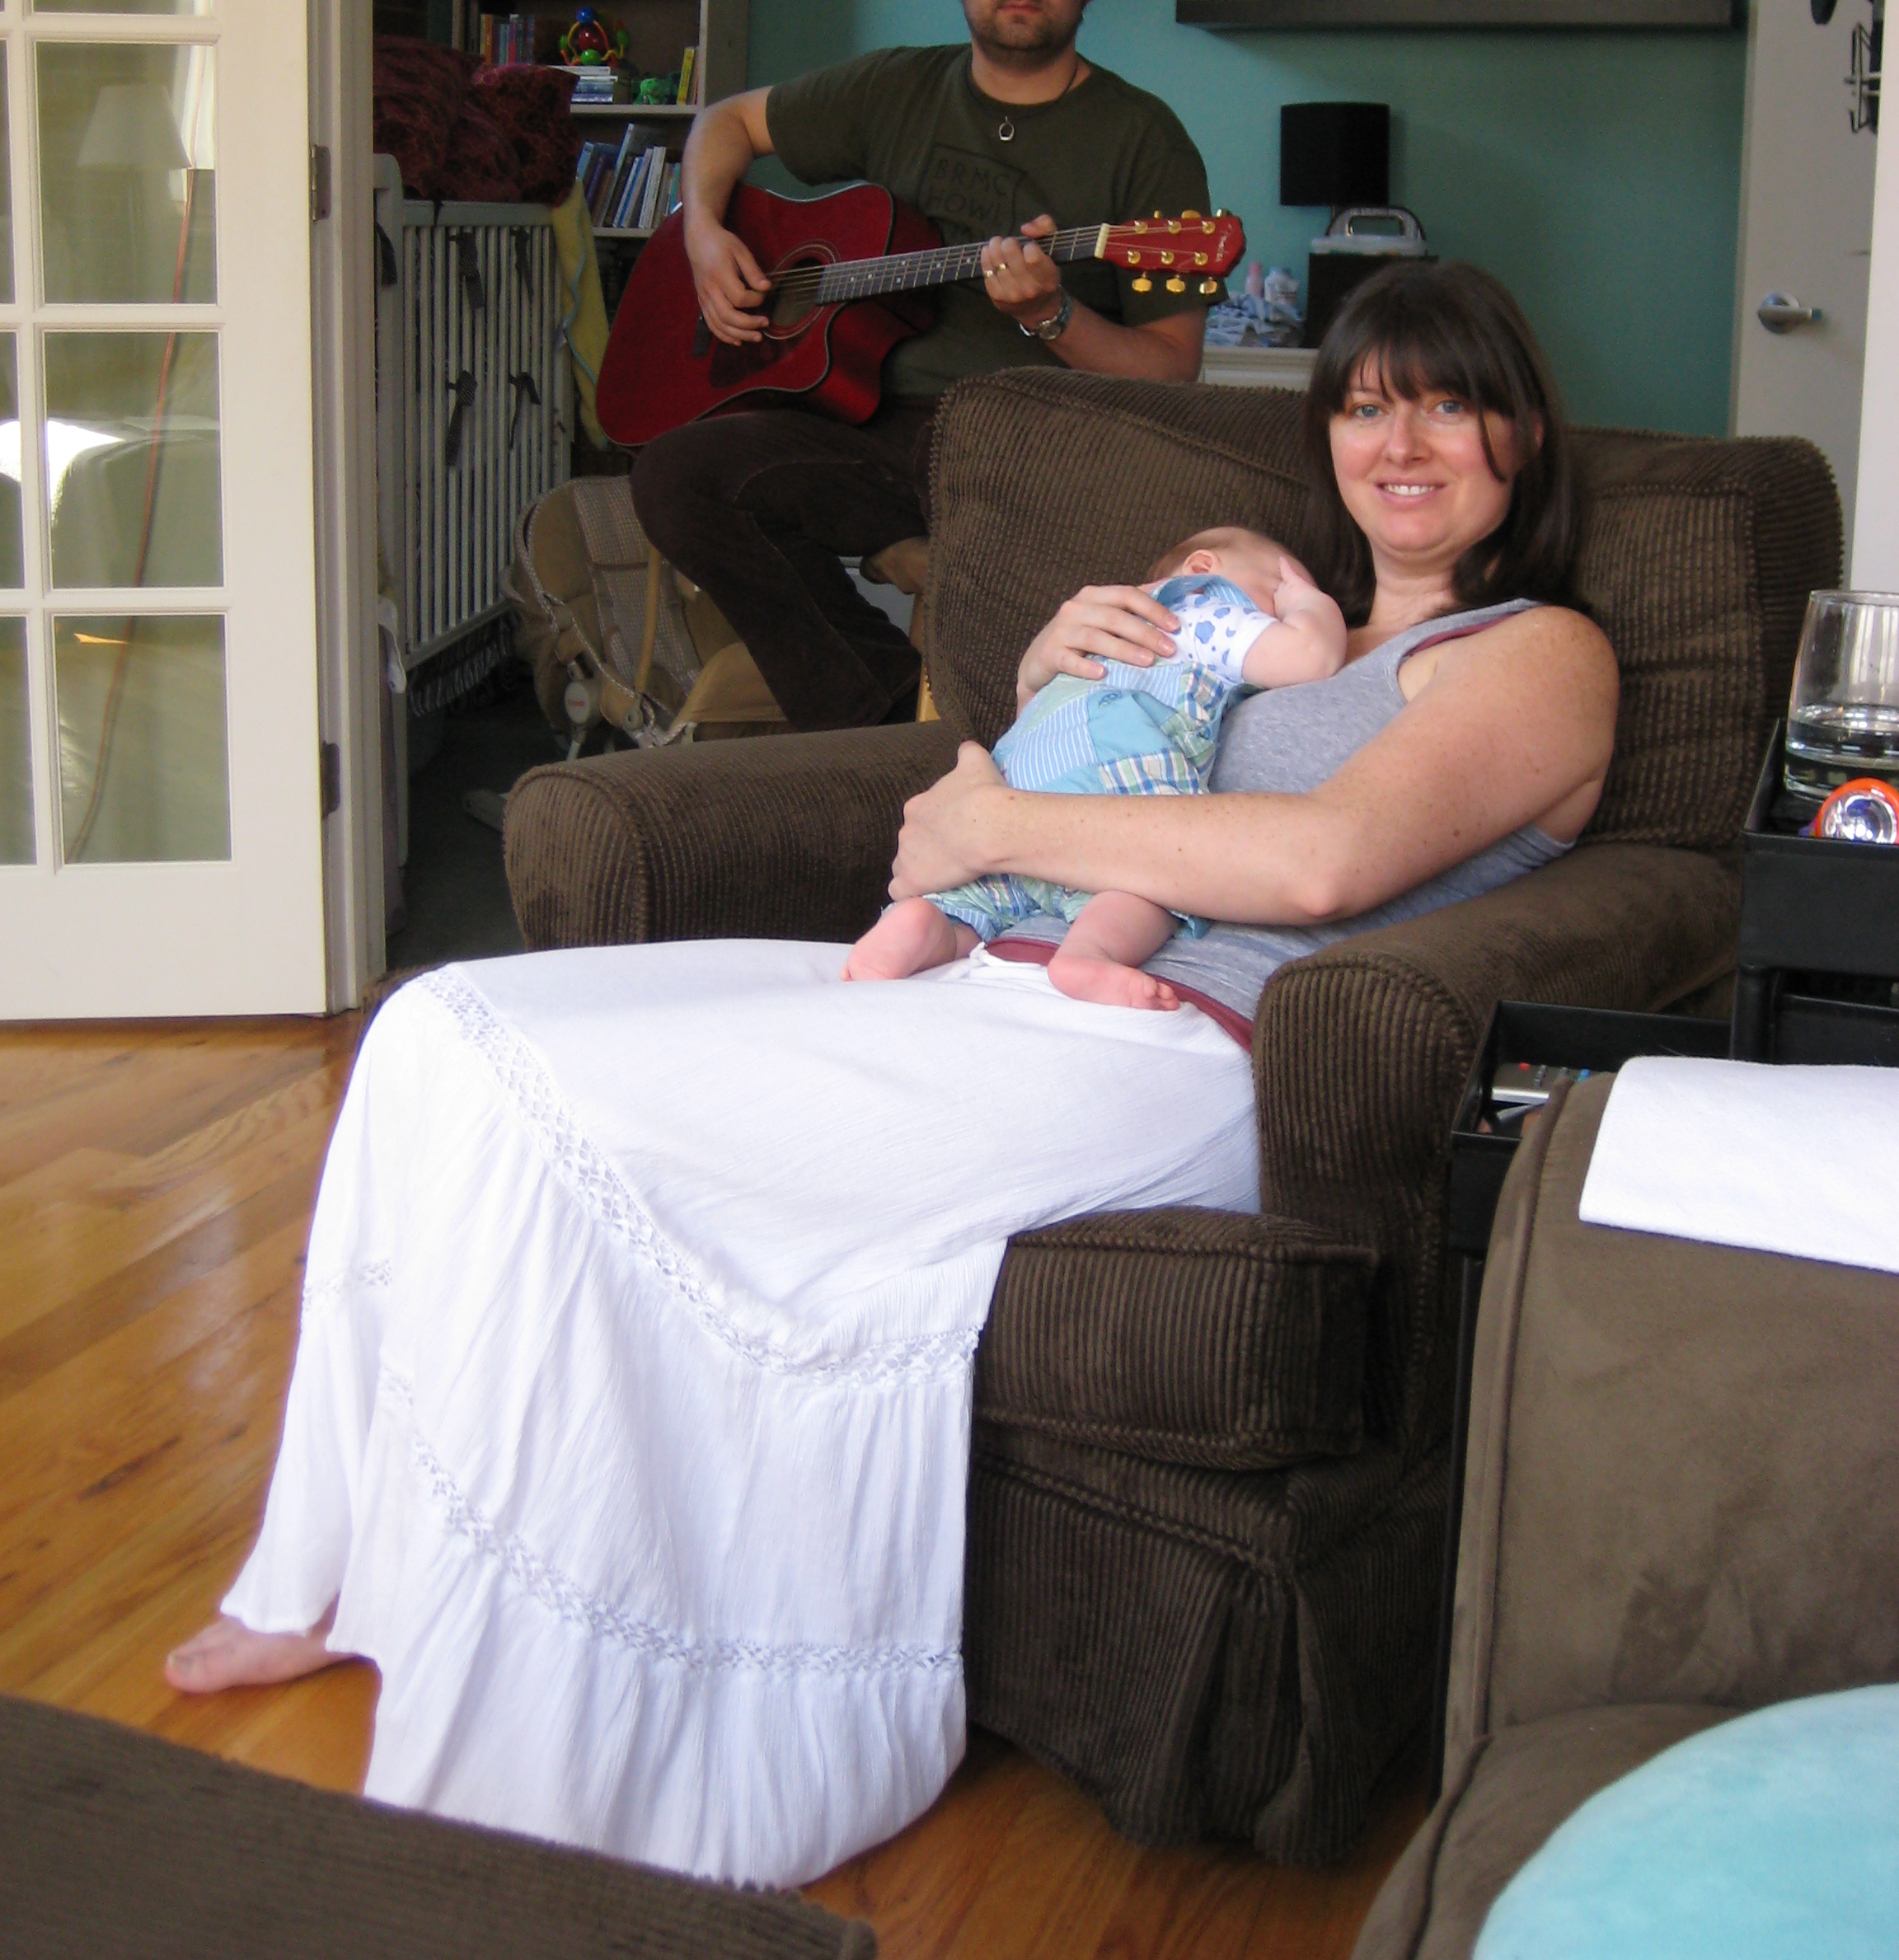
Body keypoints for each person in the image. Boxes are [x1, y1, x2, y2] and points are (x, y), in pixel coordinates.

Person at [165, 261, 1618, 1892]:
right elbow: (1100, 766)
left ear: (1525, 433)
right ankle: (336, 1568)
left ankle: (556, 1721)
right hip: (996, 972)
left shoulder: (1534, 651)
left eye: (1446, 400)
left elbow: (1331, 864)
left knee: (563, 1115)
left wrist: (999, 823)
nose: (1401, 442)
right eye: (1365, 404)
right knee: (440, 1033)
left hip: (1173, 1044)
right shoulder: (1267, 613)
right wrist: (1066, 677)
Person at [630, 0, 1212, 732]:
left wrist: (1053, 315)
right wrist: (705, 232)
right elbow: (726, 122)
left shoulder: (1146, 138)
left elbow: (1172, 370)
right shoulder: (897, 87)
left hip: (1034, 444)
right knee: (677, 474)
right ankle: (885, 716)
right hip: (873, 432)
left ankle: (919, 674)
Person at [843, 526, 1348, 1008]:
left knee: (989, 895)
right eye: (1276, 590)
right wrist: (1309, 605)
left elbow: (1038, 717)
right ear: (1202, 568)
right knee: (1150, 875)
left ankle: (920, 927)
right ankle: (1089, 956)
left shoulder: (1095, 638)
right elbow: (1309, 658)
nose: (1279, 610)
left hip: (1021, 768)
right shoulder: (1202, 610)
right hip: (1112, 753)